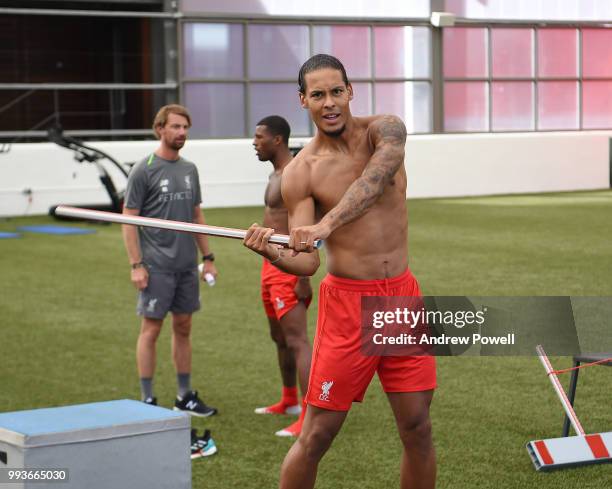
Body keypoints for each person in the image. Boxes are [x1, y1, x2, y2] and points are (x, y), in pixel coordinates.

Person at [243, 54, 437, 489]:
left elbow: (374, 179)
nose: (328, 102)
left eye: (336, 91)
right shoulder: (301, 172)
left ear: (350, 92)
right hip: (348, 305)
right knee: (316, 435)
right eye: (317, 95)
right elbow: (307, 258)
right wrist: (271, 252)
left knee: (418, 427)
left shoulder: (385, 130)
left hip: (402, 300)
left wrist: (326, 224)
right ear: (303, 101)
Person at [122, 104, 218, 418]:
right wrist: (137, 264)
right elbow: (129, 220)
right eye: (175, 127)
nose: (181, 133)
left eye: (185, 128)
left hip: (186, 266)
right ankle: (148, 399)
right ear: (160, 128)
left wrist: (208, 258)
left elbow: (196, 215)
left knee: (184, 327)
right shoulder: (143, 169)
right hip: (156, 266)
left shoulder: (189, 169)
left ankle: (184, 396)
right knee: (150, 329)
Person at [252, 115, 313, 437]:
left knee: (297, 341)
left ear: (277, 140)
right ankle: (289, 399)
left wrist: (303, 277)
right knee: (279, 338)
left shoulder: (294, 174)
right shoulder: (275, 173)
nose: (254, 142)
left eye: (259, 137)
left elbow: (309, 224)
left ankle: (308, 414)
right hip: (270, 264)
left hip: (290, 266)